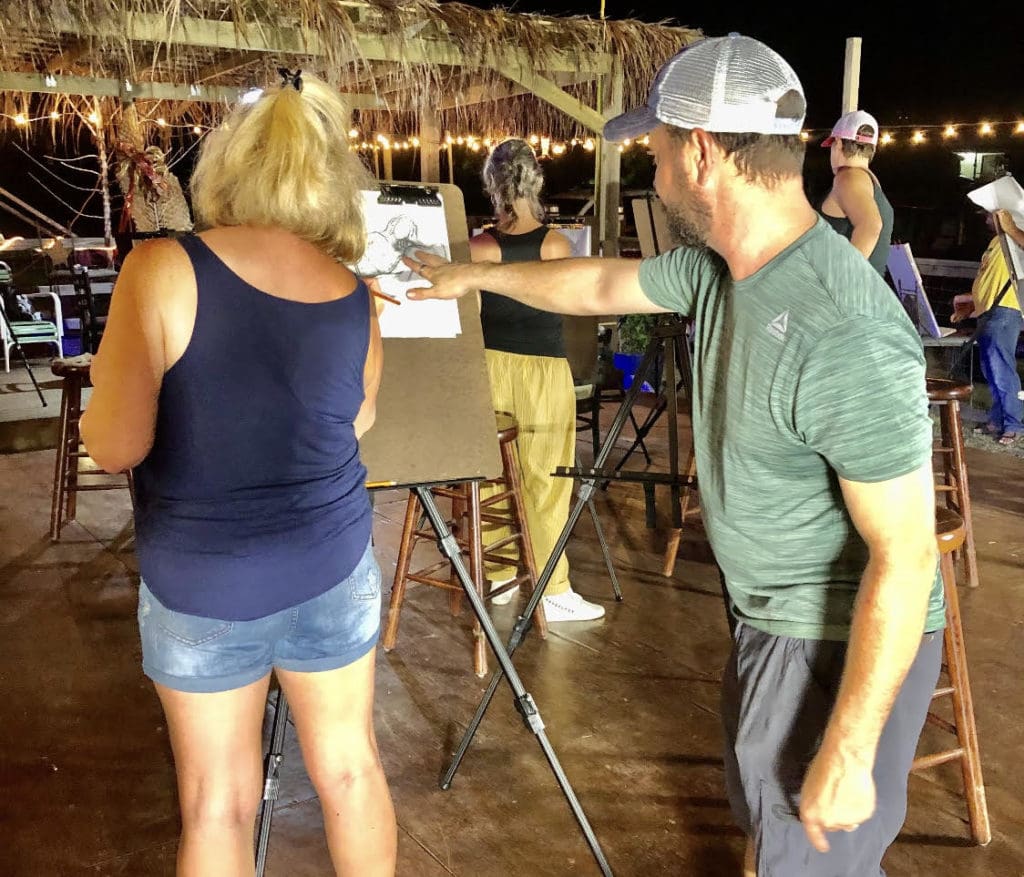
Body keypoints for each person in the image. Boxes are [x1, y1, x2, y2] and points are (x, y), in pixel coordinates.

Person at [404, 34, 943, 876]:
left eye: (654, 150)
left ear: (698, 153)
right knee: (770, 832)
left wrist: (850, 738)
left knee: (810, 860)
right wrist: (467, 279)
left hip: (831, 642)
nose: (650, 172)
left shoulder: (844, 328)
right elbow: (599, 285)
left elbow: (907, 559)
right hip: (768, 619)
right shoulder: (720, 268)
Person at [80, 71, 397, 876]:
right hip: (332, 565)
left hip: (204, 583)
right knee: (353, 772)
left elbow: (114, 446)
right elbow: (356, 422)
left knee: (220, 802)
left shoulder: (159, 270)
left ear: (225, 166)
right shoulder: (357, 296)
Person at [473, 138, 605, 622]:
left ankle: (502, 571)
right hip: (543, 368)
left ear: (492, 184)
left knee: (493, 474)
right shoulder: (554, 245)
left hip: (490, 366)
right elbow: (566, 308)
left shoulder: (480, 246)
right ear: (537, 181)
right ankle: (552, 586)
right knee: (547, 477)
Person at [952, 208, 1024, 444]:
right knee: (992, 370)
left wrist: (1011, 227)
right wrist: (972, 306)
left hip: (1005, 310)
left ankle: (1014, 424)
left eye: (989, 213)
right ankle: (999, 420)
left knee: (1001, 369)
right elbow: (990, 280)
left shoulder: (1015, 235)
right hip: (989, 312)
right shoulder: (998, 241)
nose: (985, 218)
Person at [818, 109, 895, 276]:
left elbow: (870, 225)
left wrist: (840, 281)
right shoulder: (871, 182)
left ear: (837, 143)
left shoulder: (848, 178)